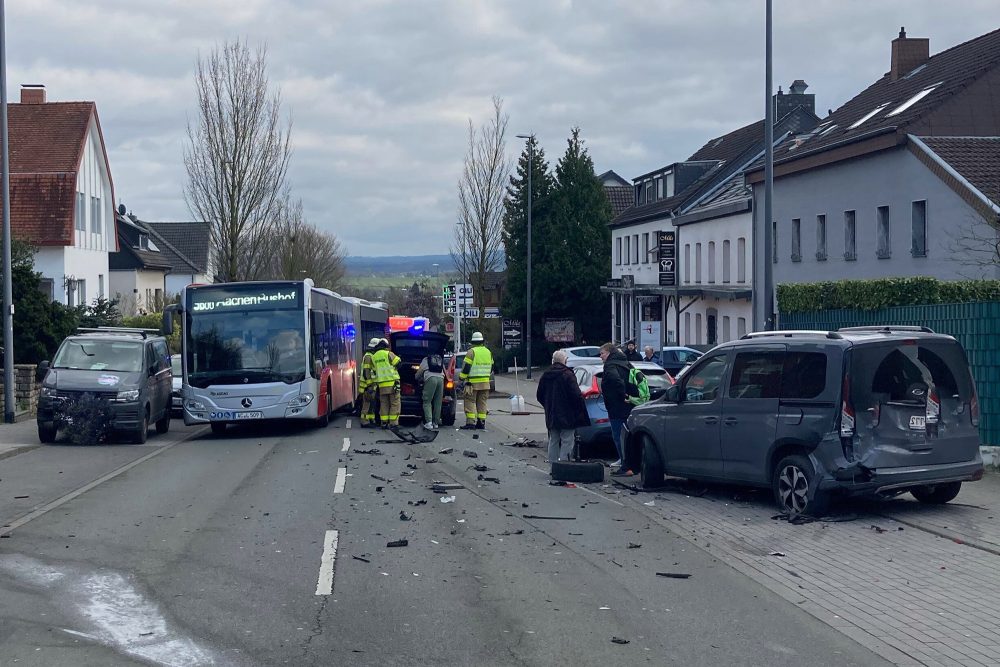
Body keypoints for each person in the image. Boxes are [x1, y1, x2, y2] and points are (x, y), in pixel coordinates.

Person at [536, 350, 591, 468]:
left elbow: (539, 395)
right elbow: (576, 395)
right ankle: (563, 466)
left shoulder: (546, 374)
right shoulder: (568, 374)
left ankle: (553, 466)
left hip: (552, 413)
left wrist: (548, 405)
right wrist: (578, 409)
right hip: (567, 414)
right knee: (567, 440)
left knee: (553, 440)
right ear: (565, 361)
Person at [599, 341, 639, 475]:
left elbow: (616, 381)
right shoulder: (626, 363)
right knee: (628, 436)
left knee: (618, 436)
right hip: (630, 405)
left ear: (609, 353)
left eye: (602, 353)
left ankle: (625, 466)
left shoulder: (610, 366)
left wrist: (622, 395)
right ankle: (632, 465)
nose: (601, 356)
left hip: (617, 406)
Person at [459, 331, 493, 430]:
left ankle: (470, 423)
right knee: (482, 403)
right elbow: (492, 367)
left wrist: (461, 378)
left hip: (472, 383)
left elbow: (466, 367)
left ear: (473, 342)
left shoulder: (471, 352)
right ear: (482, 341)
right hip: (485, 383)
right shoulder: (488, 352)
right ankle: (481, 422)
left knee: (470, 401)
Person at [370, 338, 401, 428]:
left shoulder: (374, 357)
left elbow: (374, 371)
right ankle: (393, 423)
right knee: (395, 403)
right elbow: (398, 363)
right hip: (392, 383)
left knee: (384, 404)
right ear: (385, 347)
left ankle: (384, 422)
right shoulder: (388, 354)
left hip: (381, 385)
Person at [417, 350, 445, 429]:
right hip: (441, 379)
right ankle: (435, 423)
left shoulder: (425, 360)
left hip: (430, 379)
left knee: (427, 401)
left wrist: (416, 377)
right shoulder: (439, 359)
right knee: (438, 402)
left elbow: (419, 373)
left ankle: (429, 423)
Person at [358, 337, 379, 427]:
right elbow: (366, 372)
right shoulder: (368, 357)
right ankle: (364, 421)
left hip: (371, 385)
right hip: (368, 385)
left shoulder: (370, 356)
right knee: (366, 403)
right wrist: (370, 385)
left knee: (371, 404)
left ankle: (370, 419)